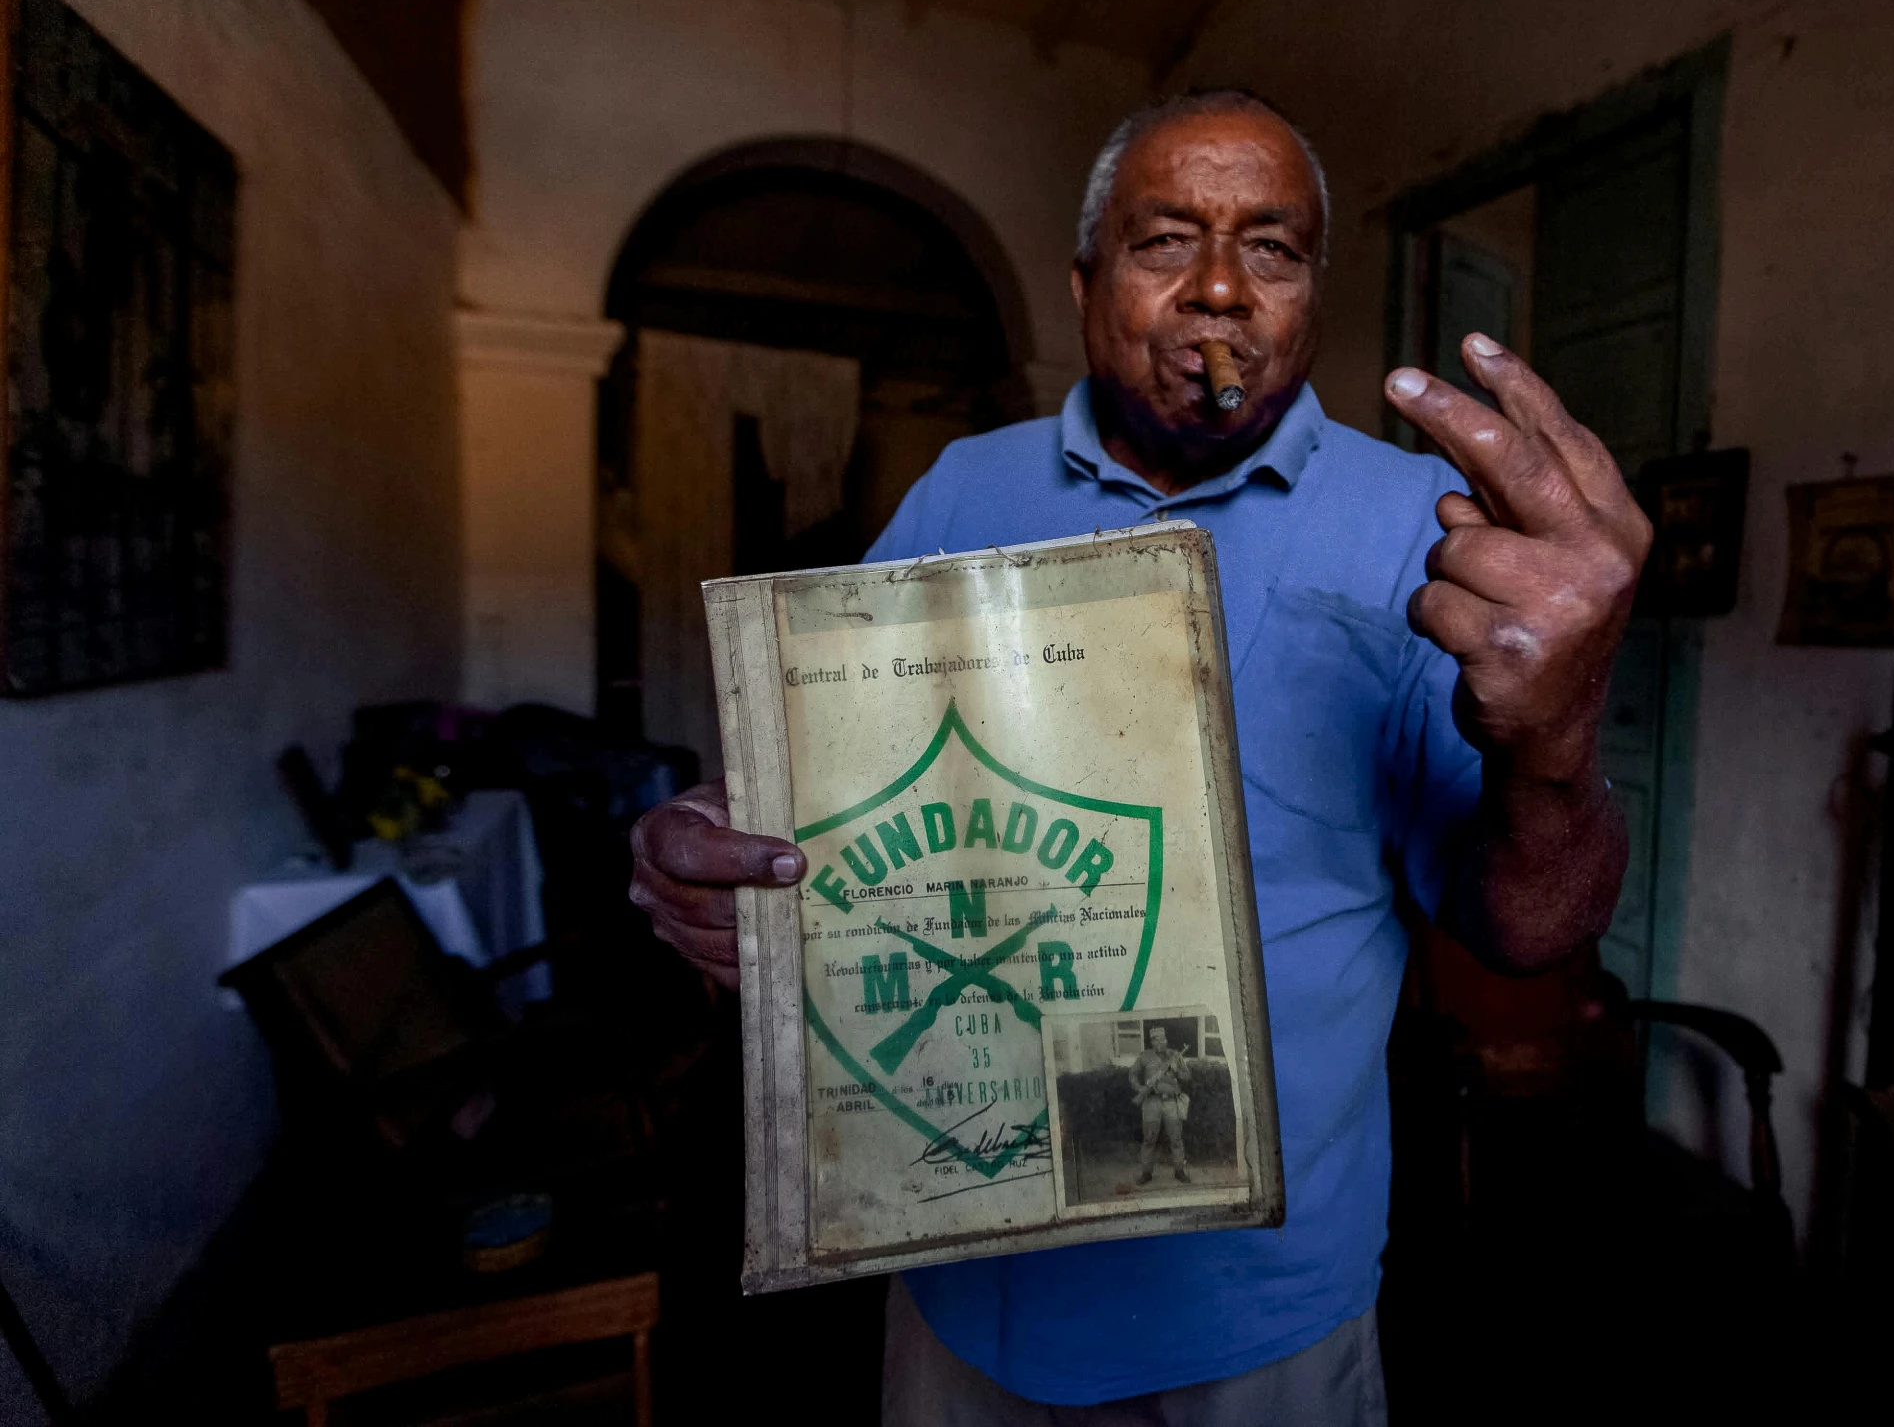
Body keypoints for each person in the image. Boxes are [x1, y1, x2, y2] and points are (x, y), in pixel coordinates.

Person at [628, 88, 1651, 1424]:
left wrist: (1557, 742)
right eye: (1165, 240)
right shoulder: (960, 487)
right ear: (1082, 280)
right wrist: (725, 844)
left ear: (1311, 294)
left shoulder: (1425, 524)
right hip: (960, 1263)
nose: (1220, 287)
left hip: (1258, 1308)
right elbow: (835, 805)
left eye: (1269, 249)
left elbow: (1526, 929)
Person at [1130, 1025, 1191, 1186]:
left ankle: (1179, 1171)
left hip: (1171, 1102)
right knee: (1149, 1139)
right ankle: (1146, 1173)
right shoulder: (1144, 1056)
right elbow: (1132, 1074)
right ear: (1151, 1041)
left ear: (1166, 1039)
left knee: (1176, 1139)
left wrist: (1177, 1070)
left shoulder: (1175, 1056)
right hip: (1151, 1103)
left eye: (1162, 1039)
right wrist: (1139, 1088)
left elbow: (1187, 1076)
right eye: (1156, 1039)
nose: (1160, 1042)